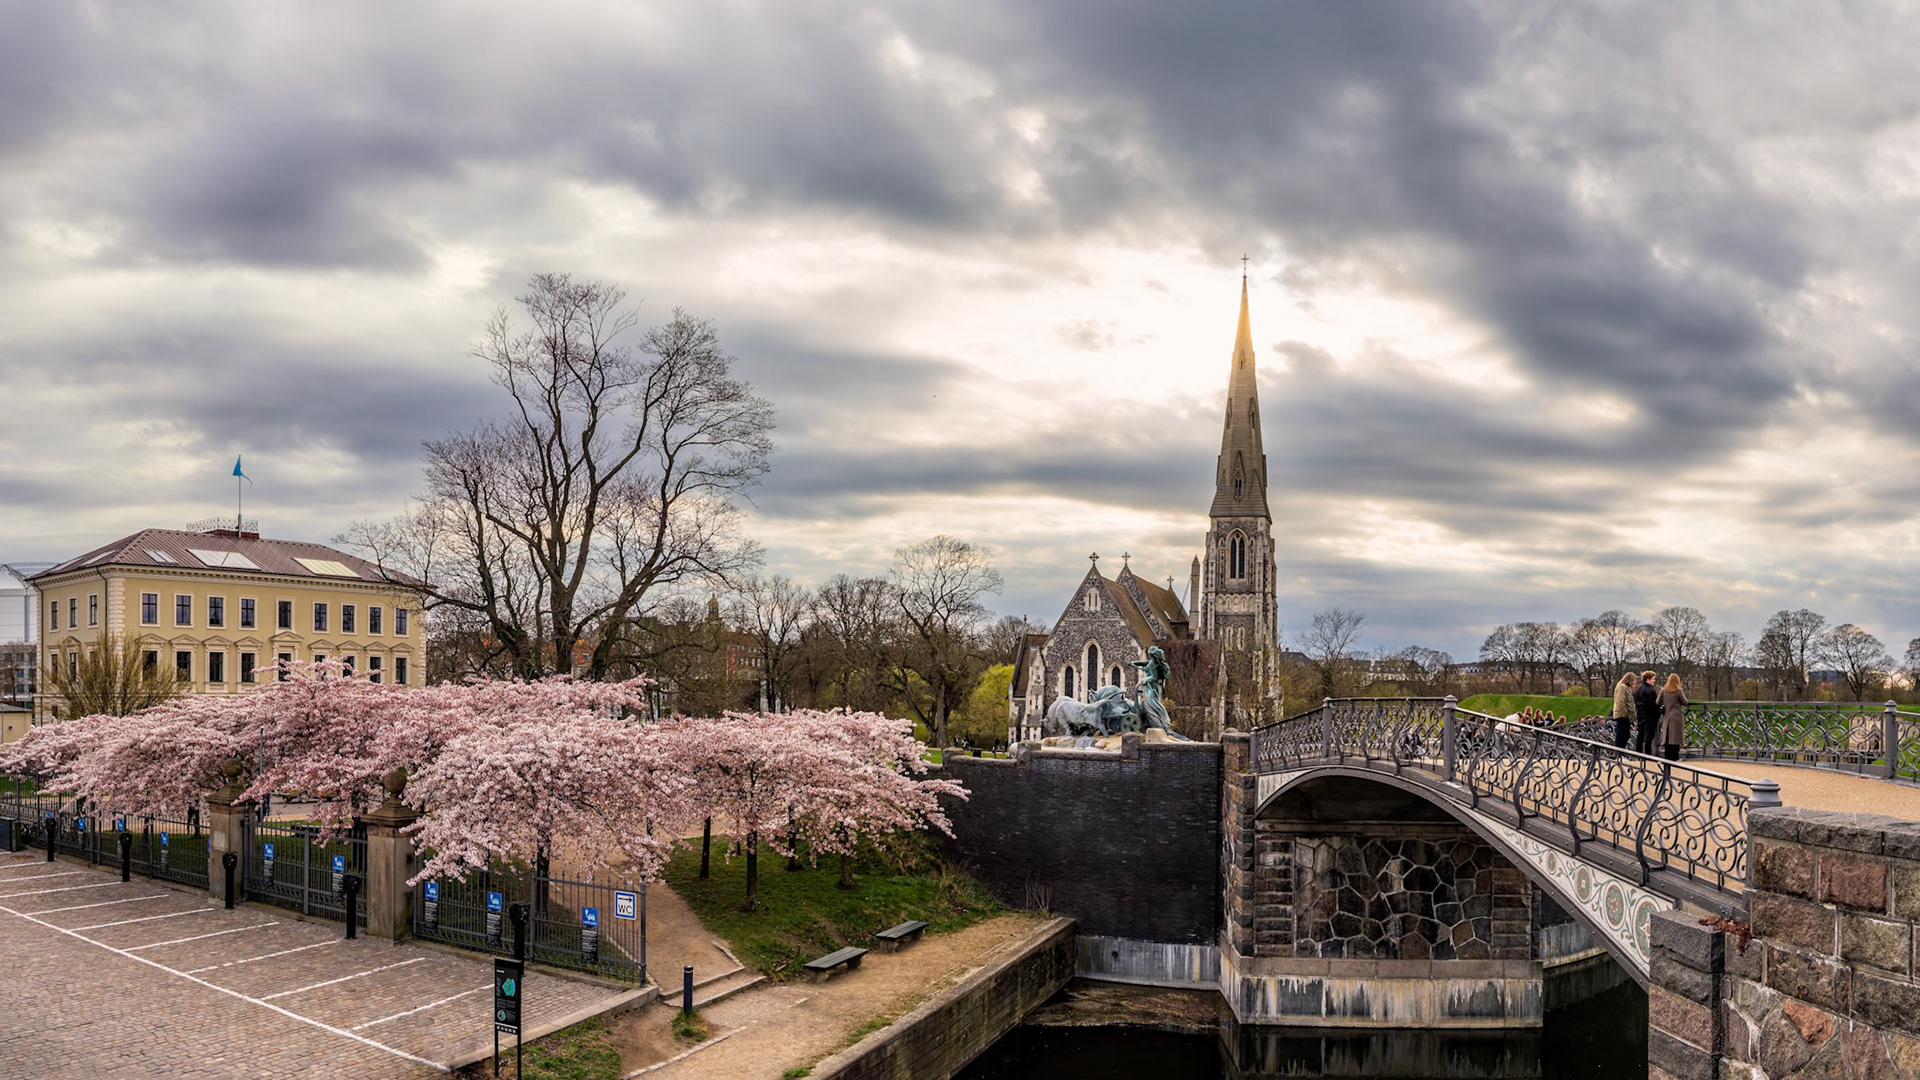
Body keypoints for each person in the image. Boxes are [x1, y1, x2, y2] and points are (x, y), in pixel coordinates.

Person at [1658, 674, 1688, 761]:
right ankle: (1675, 757)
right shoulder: (1678, 691)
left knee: (1667, 736)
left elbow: (1657, 701)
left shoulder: (1663, 690)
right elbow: (1685, 702)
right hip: (1676, 717)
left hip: (1667, 716)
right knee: (1675, 737)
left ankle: (1667, 757)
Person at [1633, 671, 1661, 755]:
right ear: (1648, 679)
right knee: (1649, 736)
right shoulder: (1650, 691)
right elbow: (1654, 705)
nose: (1654, 681)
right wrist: (1658, 714)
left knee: (1640, 735)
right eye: (1653, 679)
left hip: (1641, 714)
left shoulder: (1639, 689)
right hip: (1650, 716)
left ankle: (1639, 753)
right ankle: (1648, 754)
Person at [1611, 671, 1637, 748]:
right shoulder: (1622, 687)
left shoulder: (1627, 688)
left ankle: (1620, 753)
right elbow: (1620, 701)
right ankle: (1619, 754)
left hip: (1625, 716)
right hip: (1621, 715)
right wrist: (1625, 714)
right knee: (1621, 735)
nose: (1635, 682)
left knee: (1625, 735)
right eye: (1634, 680)